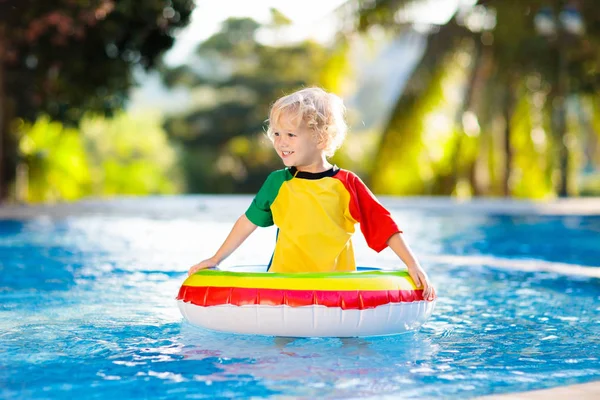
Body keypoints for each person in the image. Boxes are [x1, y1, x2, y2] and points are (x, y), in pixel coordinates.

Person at [188, 87, 435, 301]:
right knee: (283, 347)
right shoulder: (277, 182)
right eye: (276, 134)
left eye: (291, 135)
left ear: (321, 137)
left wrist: (412, 264)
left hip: (337, 286)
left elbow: (383, 224)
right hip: (285, 284)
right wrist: (216, 258)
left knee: (349, 344)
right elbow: (247, 221)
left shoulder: (346, 184)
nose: (281, 142)